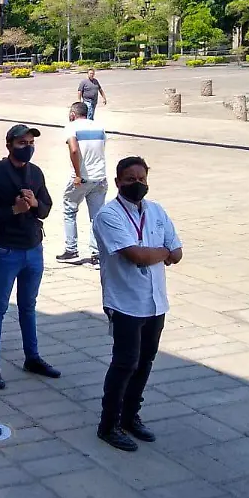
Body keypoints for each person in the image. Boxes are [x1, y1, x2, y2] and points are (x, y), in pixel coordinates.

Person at [91, 157, 182, 452]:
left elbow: (177, 252)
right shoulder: (108, 216)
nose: (137, 184)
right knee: (124, 363)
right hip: (125, 302)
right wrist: (160, 252)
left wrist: (158, 251)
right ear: (118, 182)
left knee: (145, 362)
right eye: (130, 179)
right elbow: (135, 256)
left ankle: (131, 416)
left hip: (155, 303)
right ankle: (109, 424)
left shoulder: (156, 210)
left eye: (141, 178)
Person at [0, 124, 58, 390]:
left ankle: (32, 357)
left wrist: (33, 205)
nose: (28, 147)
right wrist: (12, 209)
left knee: (28, 306)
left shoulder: (36, 172)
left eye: (31, 142)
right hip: (6, 250)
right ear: (9, 145)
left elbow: (46, 207)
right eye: (22, 143)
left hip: (34, 249)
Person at [57, 102, 108, 264]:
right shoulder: (99, 127)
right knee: (96, 216)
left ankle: (71, 249)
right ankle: (97, 254)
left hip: (82, 178)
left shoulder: (72, 127)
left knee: (70, 210)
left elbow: (73, 149)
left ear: (73, 114)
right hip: (99, 177)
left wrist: (78, 175)